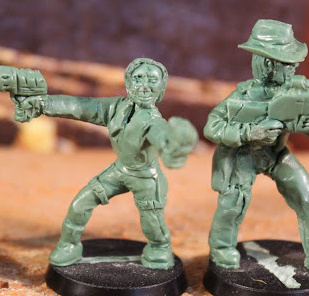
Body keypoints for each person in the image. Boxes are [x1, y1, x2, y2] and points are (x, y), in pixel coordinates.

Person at [204, 19, 309, 276]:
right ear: (268, 64)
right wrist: (248, 133)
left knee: (305, 195)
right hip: (241, 157)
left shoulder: (294, 94)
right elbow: (212, 126)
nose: (294, 68)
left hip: (275, 155)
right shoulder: (242, 96)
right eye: (288, 64)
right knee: (233, 203)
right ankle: (221, 249)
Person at [15, 58, 197, 269]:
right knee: (80, 204)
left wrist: (172, 143)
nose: (145, 86)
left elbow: (161, 134)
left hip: (147, 179)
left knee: (152, 223)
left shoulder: (153, 122)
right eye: (138, 78)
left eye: (152, 80)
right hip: (120, 171)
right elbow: (79, 106)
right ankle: (69, 245)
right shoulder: (116, 107)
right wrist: (41, 103)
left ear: (161, 88)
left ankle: (160, 247)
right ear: (128, 83)